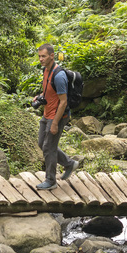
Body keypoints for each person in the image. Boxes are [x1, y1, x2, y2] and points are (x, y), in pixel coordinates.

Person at [34, 43, 80, 190]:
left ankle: (51, 181)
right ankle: (69, 163)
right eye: (40, 56)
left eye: (44, 56)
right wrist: (39, 97)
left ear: (52, 56)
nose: (41, 59)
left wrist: (55, 123)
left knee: (48, 147)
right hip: (47, 113)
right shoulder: (46, 70)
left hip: (58, 116)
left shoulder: (59, 75)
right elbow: (49, 92)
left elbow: (63, 101)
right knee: (43, 143)